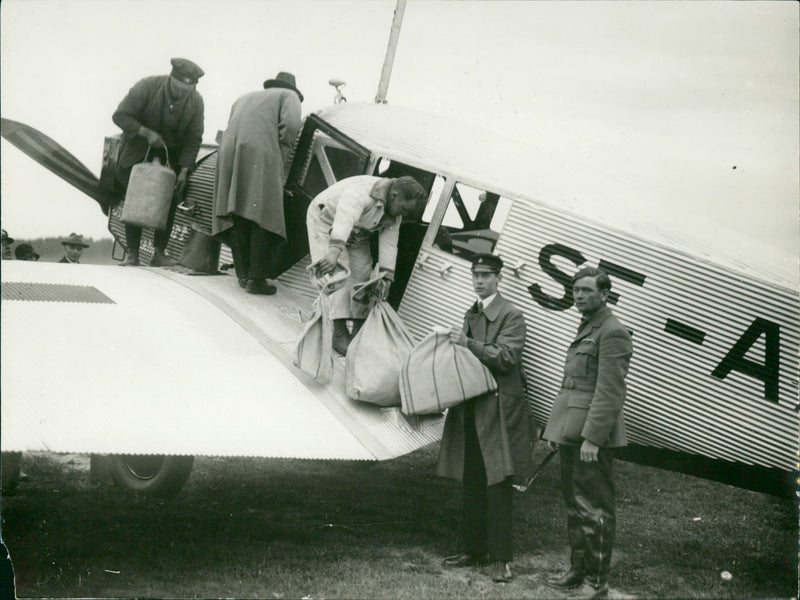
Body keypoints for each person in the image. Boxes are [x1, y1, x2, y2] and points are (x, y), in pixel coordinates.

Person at [437, 253, 534, 584]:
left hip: (497, 409)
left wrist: (468, 343)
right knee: (473, 478)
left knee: (498, 482)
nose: (479, 280)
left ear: (498, 278)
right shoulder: (472, 312)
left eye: (486, 275)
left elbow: (506, 358)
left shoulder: (512, 314)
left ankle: (501, 559)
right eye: (475, 274)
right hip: (473, 405)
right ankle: (474, 549)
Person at [543, 266, 633, 599]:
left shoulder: (612, 331)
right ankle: (577, 570)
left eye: (586, 290)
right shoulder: (590, 325)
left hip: (591, 437)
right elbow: (575, 387)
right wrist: (560, 427)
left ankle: (596, 582)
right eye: (575, 290)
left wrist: (594, 438)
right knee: (575, 503)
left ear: (605, 294)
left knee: (594, 508)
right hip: (573, 430)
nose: (578, 295)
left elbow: (610, 392)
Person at [307, 174, 426, 354]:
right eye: (403, 208)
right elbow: (344, 219)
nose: (404, 214)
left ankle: (357, 334)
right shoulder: (360, 191)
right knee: (339, 274)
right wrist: (333, 252)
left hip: (357, 230)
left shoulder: (395, 212)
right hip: (326, 221)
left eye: (407, 212)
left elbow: (389, 243)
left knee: (364, 275)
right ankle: (338, 334)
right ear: (394, 195)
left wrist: (386, 278)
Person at [212, 71, 303, 295]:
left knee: (237, 209)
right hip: (259, 152)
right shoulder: (289, 96)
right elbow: (290, 127)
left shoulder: (243, 98)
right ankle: (257, 279)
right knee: (262, 213)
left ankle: (243, 275)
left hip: (228, 153)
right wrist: (279, 156)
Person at [112, 57, 205, 267]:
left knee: (169, 201)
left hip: (171, 157)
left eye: (187, 91)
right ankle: (133, 254)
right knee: (135, 197)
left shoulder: (197, 101)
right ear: (171, 78)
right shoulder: (147, 86)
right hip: (137, 153)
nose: (182, 93)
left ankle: (158, 253)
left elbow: (194, 136)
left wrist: (184, 170)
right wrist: (145, 132)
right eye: (179, 88)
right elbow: (120, 115)